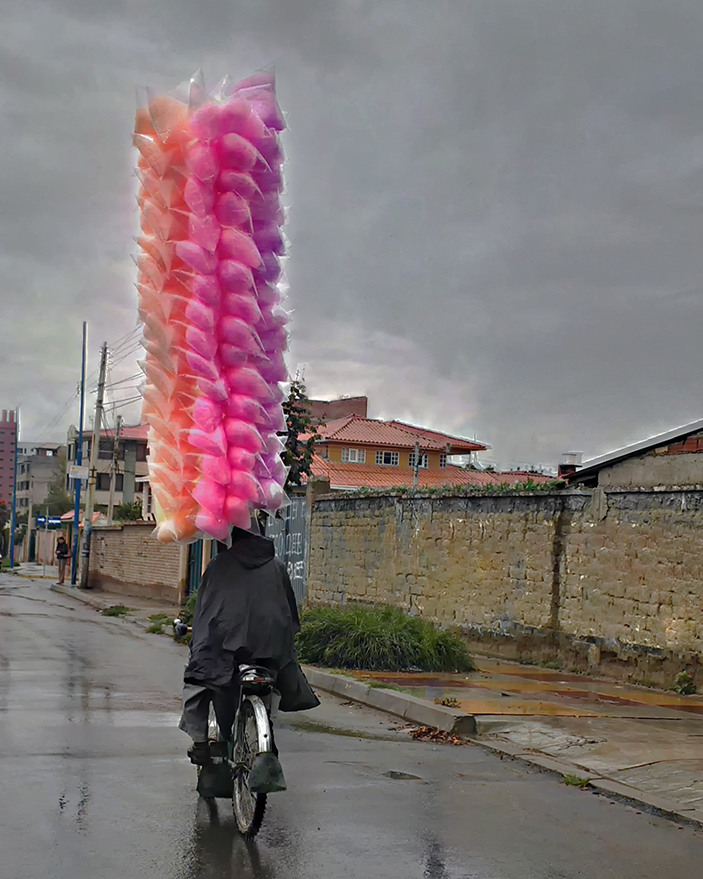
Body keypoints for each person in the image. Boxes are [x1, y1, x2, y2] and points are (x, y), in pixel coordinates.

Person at [179, 521, 319, 766]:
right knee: (272, 684)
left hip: (225, 651)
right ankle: (266, 733)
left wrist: (199, 640)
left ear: (235, 538)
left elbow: (204, 615)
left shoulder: (218, 565)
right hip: (269, 650)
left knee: (198, 680)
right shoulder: (277, 567)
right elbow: (290, 616)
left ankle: (201, 744)